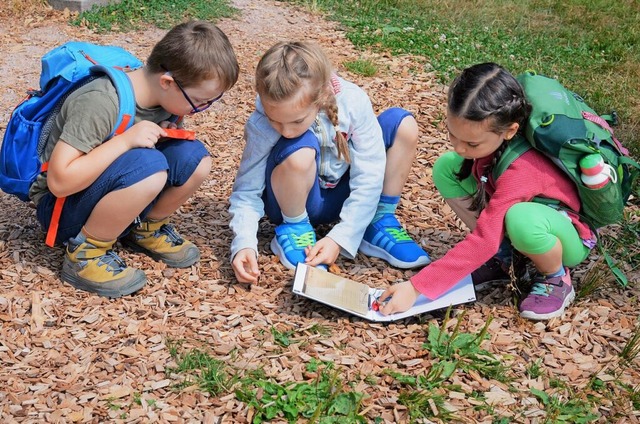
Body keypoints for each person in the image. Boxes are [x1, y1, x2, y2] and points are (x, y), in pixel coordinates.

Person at [30, 20, 239, 297]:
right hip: (60, 208)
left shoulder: (164, 100)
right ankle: (85, 255)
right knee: (149, 168)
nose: (203, 109)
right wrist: (126, 141)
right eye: (201, 102)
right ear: (167, 82)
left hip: (104, 190)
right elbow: (59, 182)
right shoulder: (101, 101)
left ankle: (143, 229)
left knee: (194, 159)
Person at [378, 62, 595, 321]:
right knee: (447, 167)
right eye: (452, 135)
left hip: (565, 235)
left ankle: (555, 278)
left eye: (471, 143)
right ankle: (507, 260)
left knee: (520, 219)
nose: (459, 147)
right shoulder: (489, 145)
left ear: (510, 131)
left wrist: (416, 288)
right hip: (531, 220)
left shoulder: (522, 171)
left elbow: (484, 238)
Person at [229, 41, 430, 283]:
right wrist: (244, 244)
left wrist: (342, 237)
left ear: (321, 96)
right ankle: (294, 228)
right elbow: (247, 190)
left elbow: (370, 174)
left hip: (342, 197)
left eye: (296, 121)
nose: (285, 131)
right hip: (291, 200)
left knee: (402, 124)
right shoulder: (264, 119)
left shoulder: (353, 102)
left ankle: (377, 220)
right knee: (298, 148)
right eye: (275, 121)